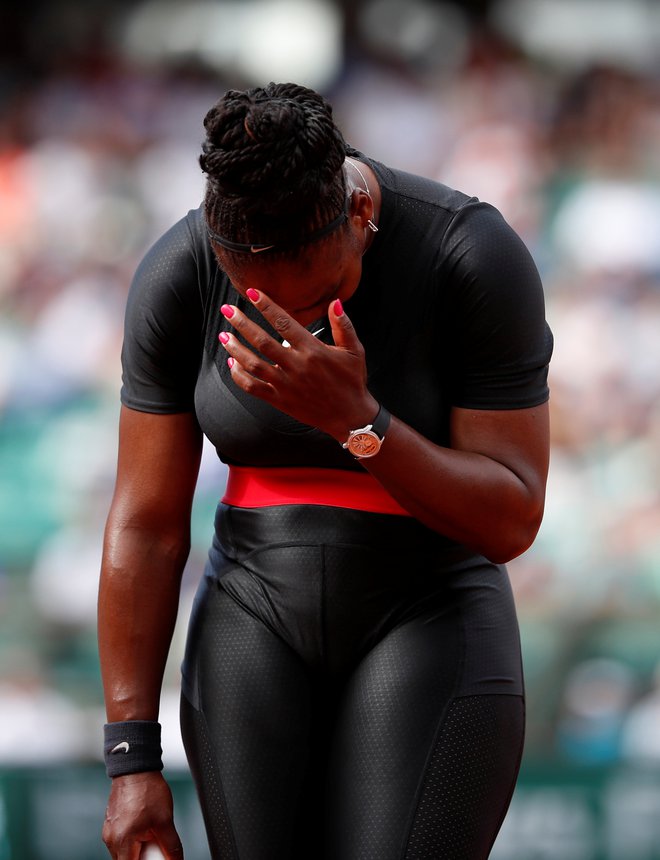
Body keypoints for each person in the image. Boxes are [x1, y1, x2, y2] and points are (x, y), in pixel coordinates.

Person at [98, 81, 553, 860]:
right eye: (257, 302)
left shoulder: (468, 251)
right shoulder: (180, 272)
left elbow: (511, 518)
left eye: (319, 300)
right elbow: (145, 526)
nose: (296, 331)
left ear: (359, 216)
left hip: (430, 609)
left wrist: (360, 423)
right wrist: (130, 759)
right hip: (252, 615)